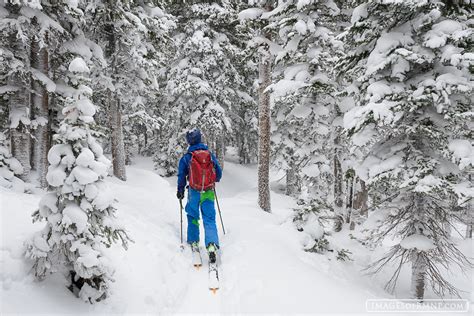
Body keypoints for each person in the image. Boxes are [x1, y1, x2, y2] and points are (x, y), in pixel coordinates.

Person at [177, 128, 222, 262]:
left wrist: (180, 190)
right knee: (209, 219)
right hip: (208, 192)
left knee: (193, 216)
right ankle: (212, 245)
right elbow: (218, 172)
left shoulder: (187, 157)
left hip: (194, 192)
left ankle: (194, 241)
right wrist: (213, 180)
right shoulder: (209, 154)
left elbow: (181, 175)